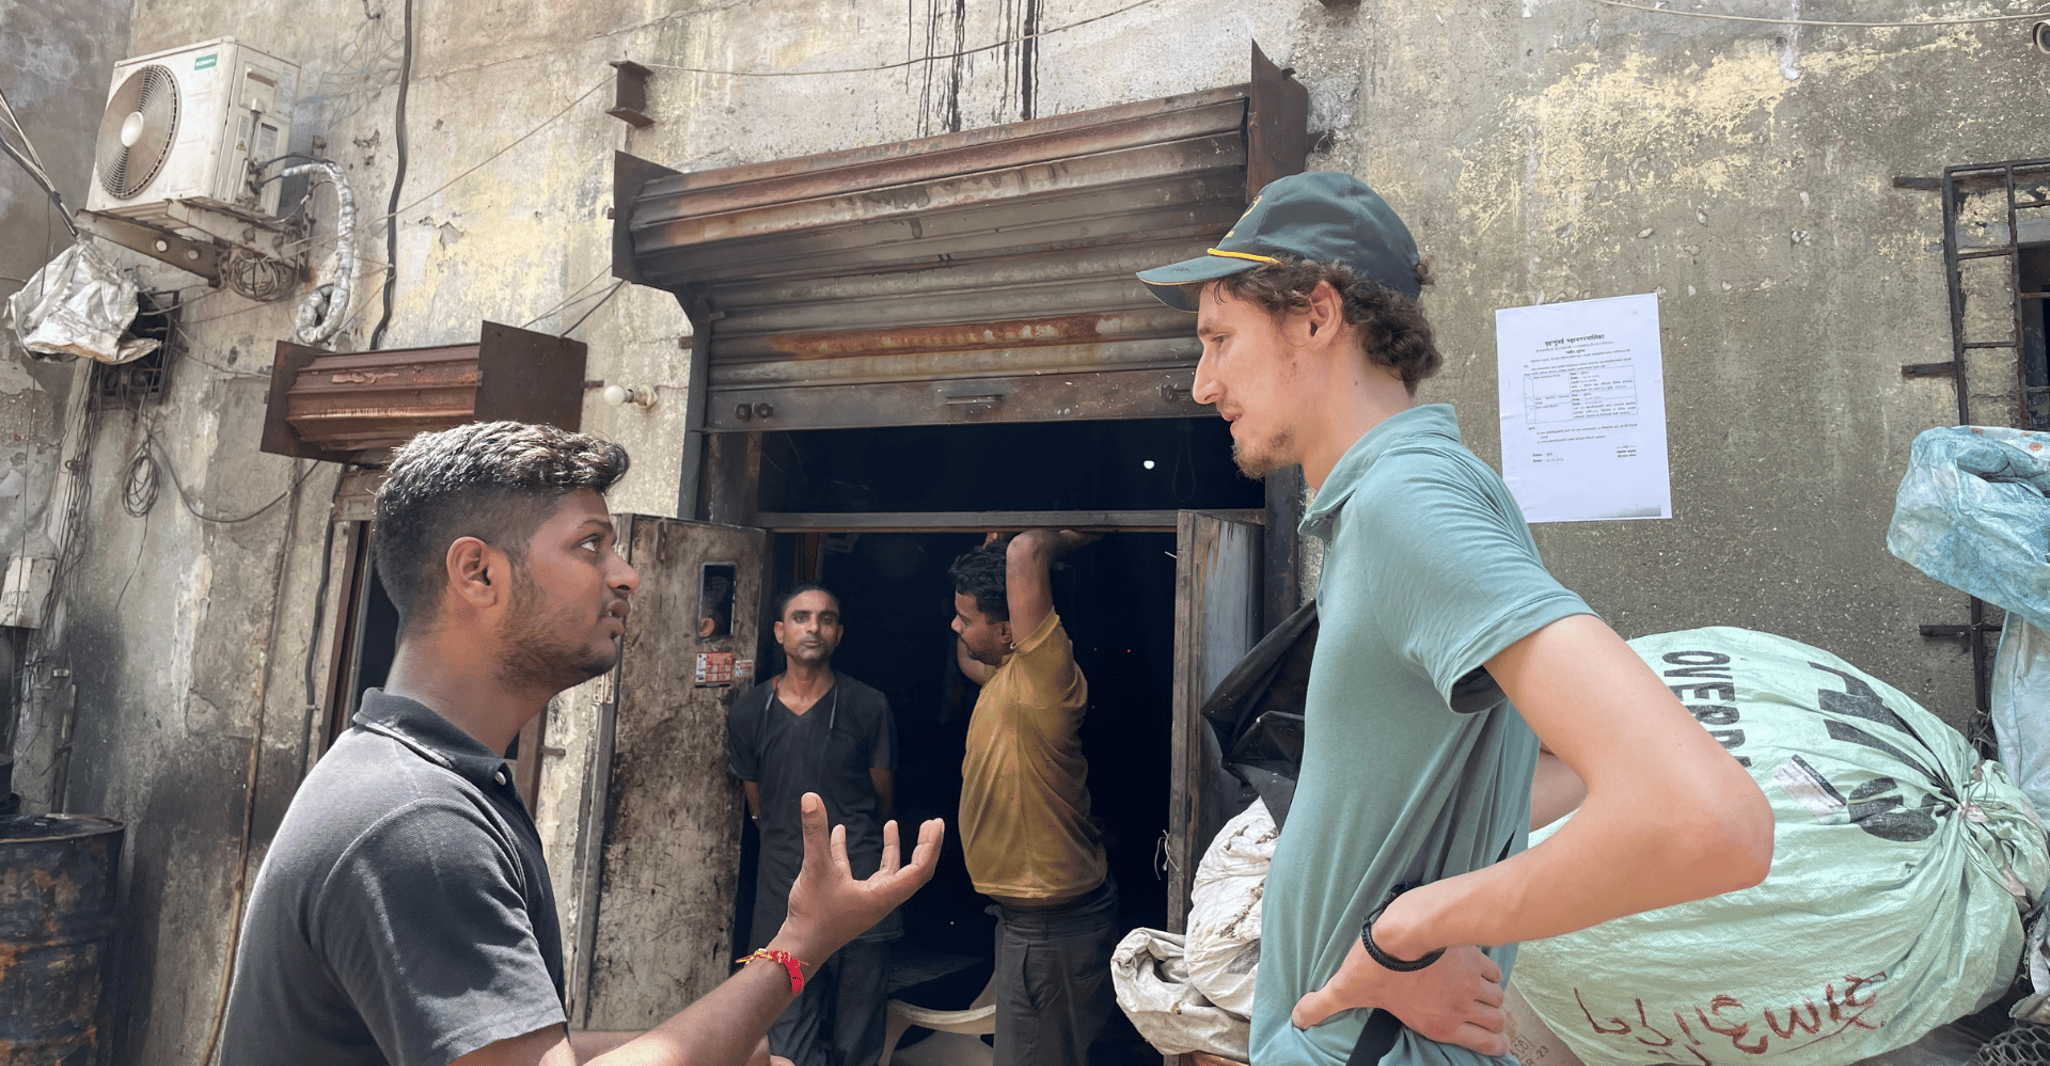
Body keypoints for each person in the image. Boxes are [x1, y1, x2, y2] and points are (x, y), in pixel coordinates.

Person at [1132, 172, 1774, 1066]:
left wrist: (1409, 932)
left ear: (1317, 317)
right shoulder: (1407, 498)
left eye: (1219, 339)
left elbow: (1707, 818)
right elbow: (1528, 770)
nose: (1203, 384)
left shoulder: (1409, 505)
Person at [217, 421, 943, 1066]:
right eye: (591, 544)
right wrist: (800, 946)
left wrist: (721, 1046)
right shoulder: (417, 823)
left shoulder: (425, 781)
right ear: (479, 572)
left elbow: (532, 1051)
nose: (626, 575)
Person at [947, 530, 1122, 1066]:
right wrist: (986, 565)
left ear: (1009, 629)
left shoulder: (1044, 676)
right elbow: (967, 660)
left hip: (1051, 933)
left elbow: (1026, 550)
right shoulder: (1003, 675)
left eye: (965, 618)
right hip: (1027, 925)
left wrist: (1071, 534)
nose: (955, 625)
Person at [728, 583, 900, 1066]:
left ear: (839, 633)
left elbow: (882, 797)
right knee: (786, 1029)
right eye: (801, 617)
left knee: (857, 1034)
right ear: (779, 632)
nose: (814, 628)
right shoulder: (749, 712)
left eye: (826, 619)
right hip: (782, 888)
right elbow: (757, 805)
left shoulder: (867, 705)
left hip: (859, 882)